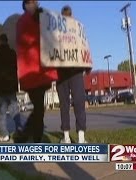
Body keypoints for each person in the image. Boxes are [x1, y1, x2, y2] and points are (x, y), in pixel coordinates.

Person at [15, 0, 58, 143]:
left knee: (39, 108)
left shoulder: (36, 19)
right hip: (32, 73)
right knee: (39, 108)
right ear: (26, 4)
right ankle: (31, 137)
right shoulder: (25, 21)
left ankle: (27, 135)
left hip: (39, 73)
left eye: (35, 1)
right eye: (31, 1)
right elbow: (29, 39)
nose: (35, 3)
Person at [56, 5, 90, 144]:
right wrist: (88, 66)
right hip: (75, 71)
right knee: (79, 103)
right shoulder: (78, 30)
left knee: (65, 104)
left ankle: (66, 137)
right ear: (72, 15)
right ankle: (80, 137)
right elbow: (85, 46)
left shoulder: (56, 31)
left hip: (63, 72)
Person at [0, 34, 23, 142]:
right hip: (11, 86)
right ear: (7, 41)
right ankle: (19, 128)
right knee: (14, 109)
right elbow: (16, 67)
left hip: (1, 88)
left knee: (2, 113)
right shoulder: (12, 53)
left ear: (0, 41)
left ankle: (5, 134)